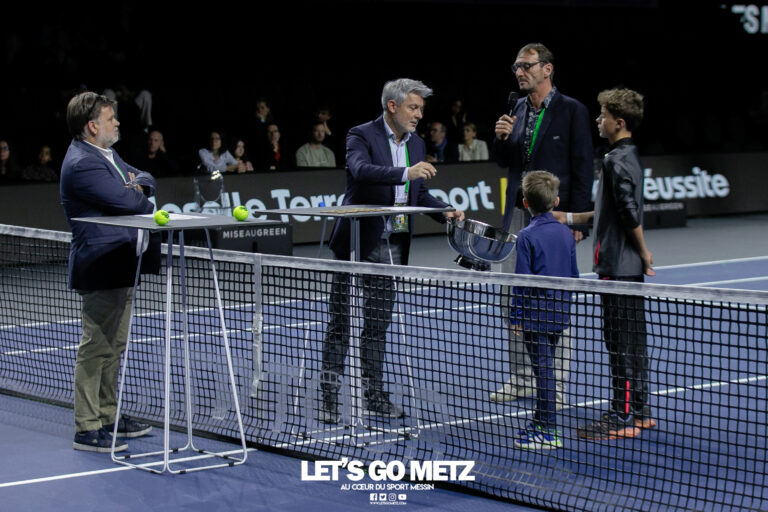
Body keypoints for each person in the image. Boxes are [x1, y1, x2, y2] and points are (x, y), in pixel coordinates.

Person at [320, 78, 465, 424]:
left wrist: (443, 210)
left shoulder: (416, 144)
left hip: (393, 245)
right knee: (341, 323)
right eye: (413, 108)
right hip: (358, 240)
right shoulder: (361, 135)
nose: (419, 115)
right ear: (392, 106)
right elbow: (361, 171)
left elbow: (418, 194)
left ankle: (373, 394)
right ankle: (329, 396)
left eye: (421, 109)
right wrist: (405, 172)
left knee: (377, 325)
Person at [490, 42, 593, 407]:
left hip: (554, 218)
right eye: (516, 67)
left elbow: (583, 167)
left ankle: (555, 384)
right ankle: (522, 378)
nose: (520, 72)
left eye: (527, 66)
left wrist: (577, 220)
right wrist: (501, 139)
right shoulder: (517, 109)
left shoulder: (572, 110)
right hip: (518, 216)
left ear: (547, 69)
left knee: (552, 299)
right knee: (512, 296)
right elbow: (505, 161)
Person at [554, 88, 657, 440]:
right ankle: (640, 411)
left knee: (618, 342)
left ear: (619, 122)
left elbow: (628, 213)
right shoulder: (627, 156)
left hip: (617, 267)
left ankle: (621, 415)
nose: (598, 120)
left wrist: (644, 251)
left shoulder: (614, 161)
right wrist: (567, 217)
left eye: (603, 116)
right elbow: (608, 212)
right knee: (633, 341)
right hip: (625, 267)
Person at [59, 91, 159, 452]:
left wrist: (136, 184)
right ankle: (87, 427)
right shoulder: (83, 163)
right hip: (101, 266)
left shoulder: (106, 155)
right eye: (110, 118)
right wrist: (135, 189)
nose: (117, 122)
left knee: (114, 346)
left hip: (122, 264)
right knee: (96, 347)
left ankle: (107, 415)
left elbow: (144, 178)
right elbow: (130, 200)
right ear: (92, 125)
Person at [510, 171, 578, 450]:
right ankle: (540, 422)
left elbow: (522, 282)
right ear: (556, 201)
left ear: (525, 203)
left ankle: (548, 431)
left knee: (544, 372)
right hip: (559, 313)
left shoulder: (526, 236)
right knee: (545, 369)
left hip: (536, 317)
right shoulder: (566, 233)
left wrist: (516, 317)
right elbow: (573, 276)